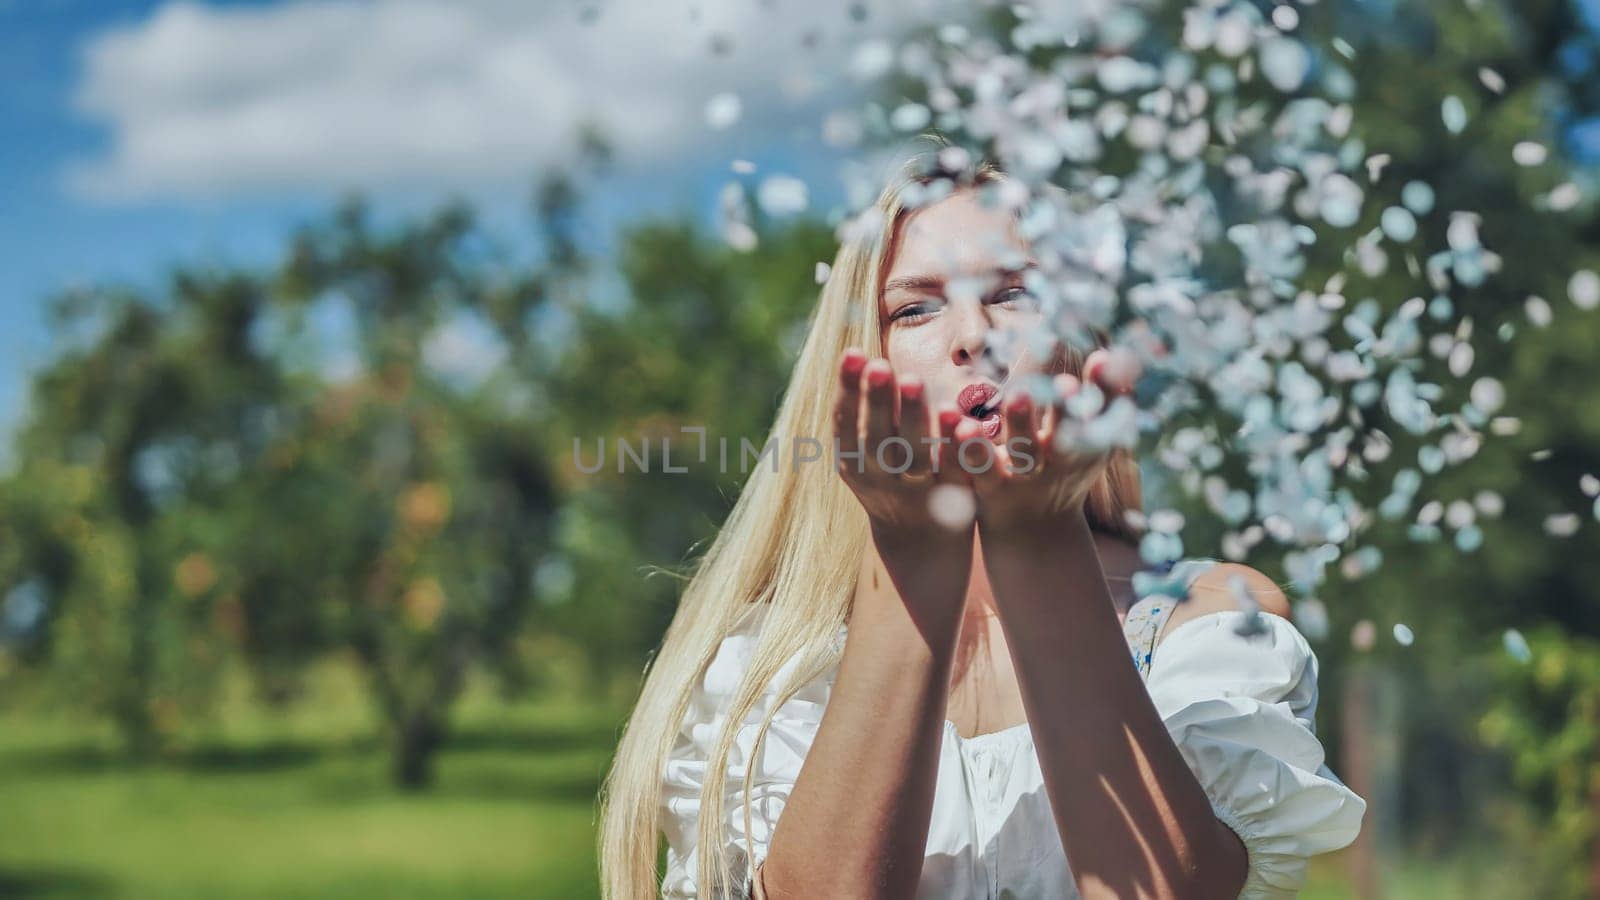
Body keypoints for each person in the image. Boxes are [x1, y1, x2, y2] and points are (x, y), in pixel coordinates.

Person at [598, 158, 1365, 899]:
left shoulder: (1208, 628)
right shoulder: (770, 668)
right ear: (858, 366)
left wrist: (1038, 537)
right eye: (916, 308)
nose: (974, 335)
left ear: (1082, 346)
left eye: (1017, 294)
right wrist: (913, 554)